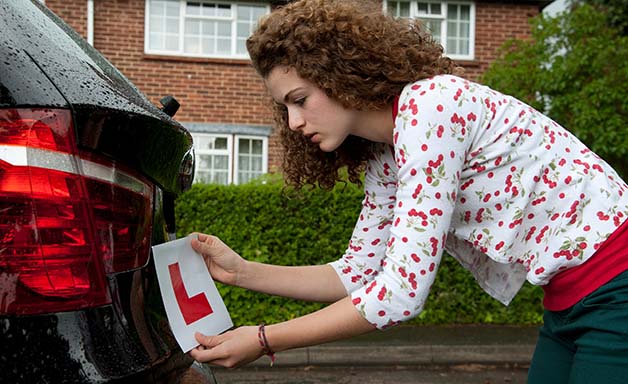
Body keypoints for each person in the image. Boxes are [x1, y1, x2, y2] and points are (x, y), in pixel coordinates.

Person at [188, 0, 628, 382]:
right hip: (569, 302)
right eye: (284, 107)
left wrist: (263, 339)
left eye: (299, 99)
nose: (293, 123)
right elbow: (359, 273)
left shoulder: (431, 106)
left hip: (617, 286)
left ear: (339, 73)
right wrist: (243, 272)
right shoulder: (388, 157)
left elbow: (400, 294)